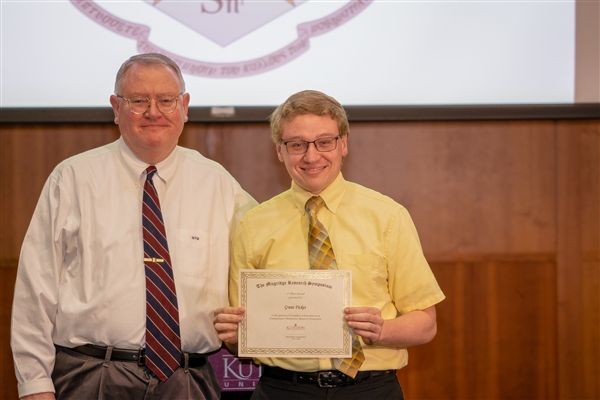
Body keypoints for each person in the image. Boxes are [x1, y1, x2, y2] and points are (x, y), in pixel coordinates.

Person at [11, 53, 257, 400]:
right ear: (116, 107)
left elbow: (265, 256)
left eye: (166, 100)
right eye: (139, 101)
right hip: (92, 377)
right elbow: (35, 289)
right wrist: (35, 385)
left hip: (187, 380)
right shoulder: (73, 178)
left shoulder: (219, 184)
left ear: (185, 106)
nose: (153, 112)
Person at [213, 90, 445, 399]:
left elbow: (426, 324)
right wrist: (233, 335)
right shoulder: (252, 226)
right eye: (297, 145)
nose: (311, 157)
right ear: (280, 151)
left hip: (370, 389)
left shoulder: (388, 217)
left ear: (343, 144)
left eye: (324, 142)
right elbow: (241, 338)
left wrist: (382, 330)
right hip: (282, 390)